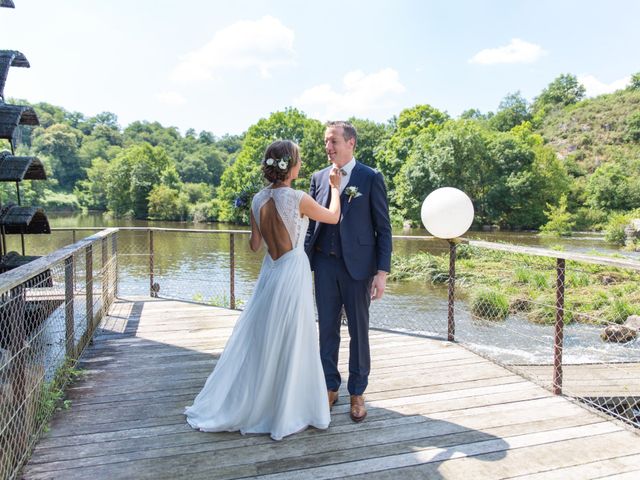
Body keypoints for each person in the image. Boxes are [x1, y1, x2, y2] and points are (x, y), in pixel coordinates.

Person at [185, 140, 342, 441]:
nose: (299, 165)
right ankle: (284, 408)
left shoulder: (258, 199)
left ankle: (259, 401)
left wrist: (263, 226)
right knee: (293, 337)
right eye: (298, 161)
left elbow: (255, 245)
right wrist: (335, 187)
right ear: (290, 167)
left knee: (265, 337)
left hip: (270, 272)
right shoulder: (298, 198)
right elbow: (333, 216)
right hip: (293, 270)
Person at [305, 121, 392, 423]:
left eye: (332, 141)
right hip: (324, 265)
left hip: (358, 269)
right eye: (326, 142)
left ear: (350, 142)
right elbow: (312, 225)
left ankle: (357, 392)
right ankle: (330, 387)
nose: (327, 147)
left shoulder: (370, 177)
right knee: (326, 329)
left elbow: (384, 228)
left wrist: (381, 273)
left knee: (359, 332)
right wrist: (301, 264)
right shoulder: (317, 177)